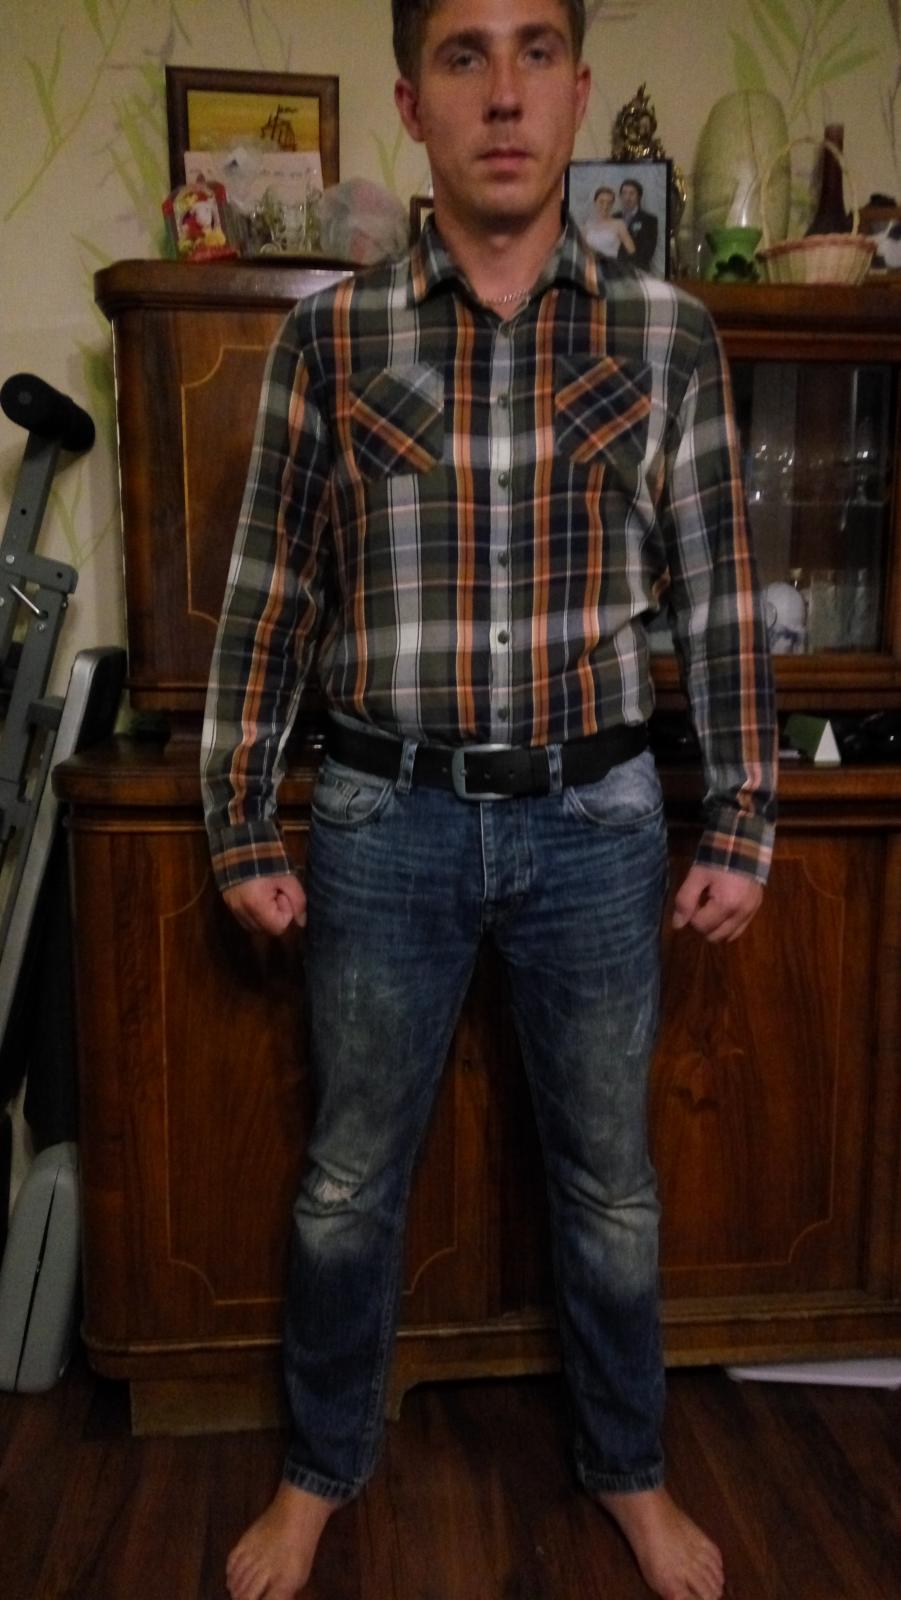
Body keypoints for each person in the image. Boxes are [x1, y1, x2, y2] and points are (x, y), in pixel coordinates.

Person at [200, 2, 776, 1597]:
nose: (503, 93)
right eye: (464, 55)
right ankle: (320, 1470)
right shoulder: (331, 340)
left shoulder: (668, 335)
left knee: (611, 1187)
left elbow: (719, 594)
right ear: (412, 97)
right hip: (383, 822)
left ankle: (630, 1470)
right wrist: (239, 816)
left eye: (534, 53)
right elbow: (267, 603)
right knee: (345, 1181)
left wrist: (741, 814)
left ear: (580, 90)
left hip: (597, 824)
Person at [582, 182, 635, 259]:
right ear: (595, 202)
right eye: (601, 202)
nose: (605, 206)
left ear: (612, 204)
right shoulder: (587, 225)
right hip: (590, 265)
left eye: (609, 203)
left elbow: (632, 251)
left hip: (610, 265)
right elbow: (581, 250)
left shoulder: (619, 225)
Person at [617, 176, 658, 269]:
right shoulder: (614, 217)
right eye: (624, 193)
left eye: (631, 193)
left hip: (637, 271)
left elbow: (647, 253)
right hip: (613, 271)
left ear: (639, 197)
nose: (627, 197)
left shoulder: (649, 220)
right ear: (620, 196)